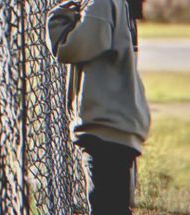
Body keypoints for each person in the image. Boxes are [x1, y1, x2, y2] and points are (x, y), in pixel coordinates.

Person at [45, 0, 150, 214]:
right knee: (115, 205)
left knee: (105, 206)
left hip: (105, 126)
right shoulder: (119, 4)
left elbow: (67, 48)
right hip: (117, 123)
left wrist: (62, 11)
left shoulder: (100, 4)